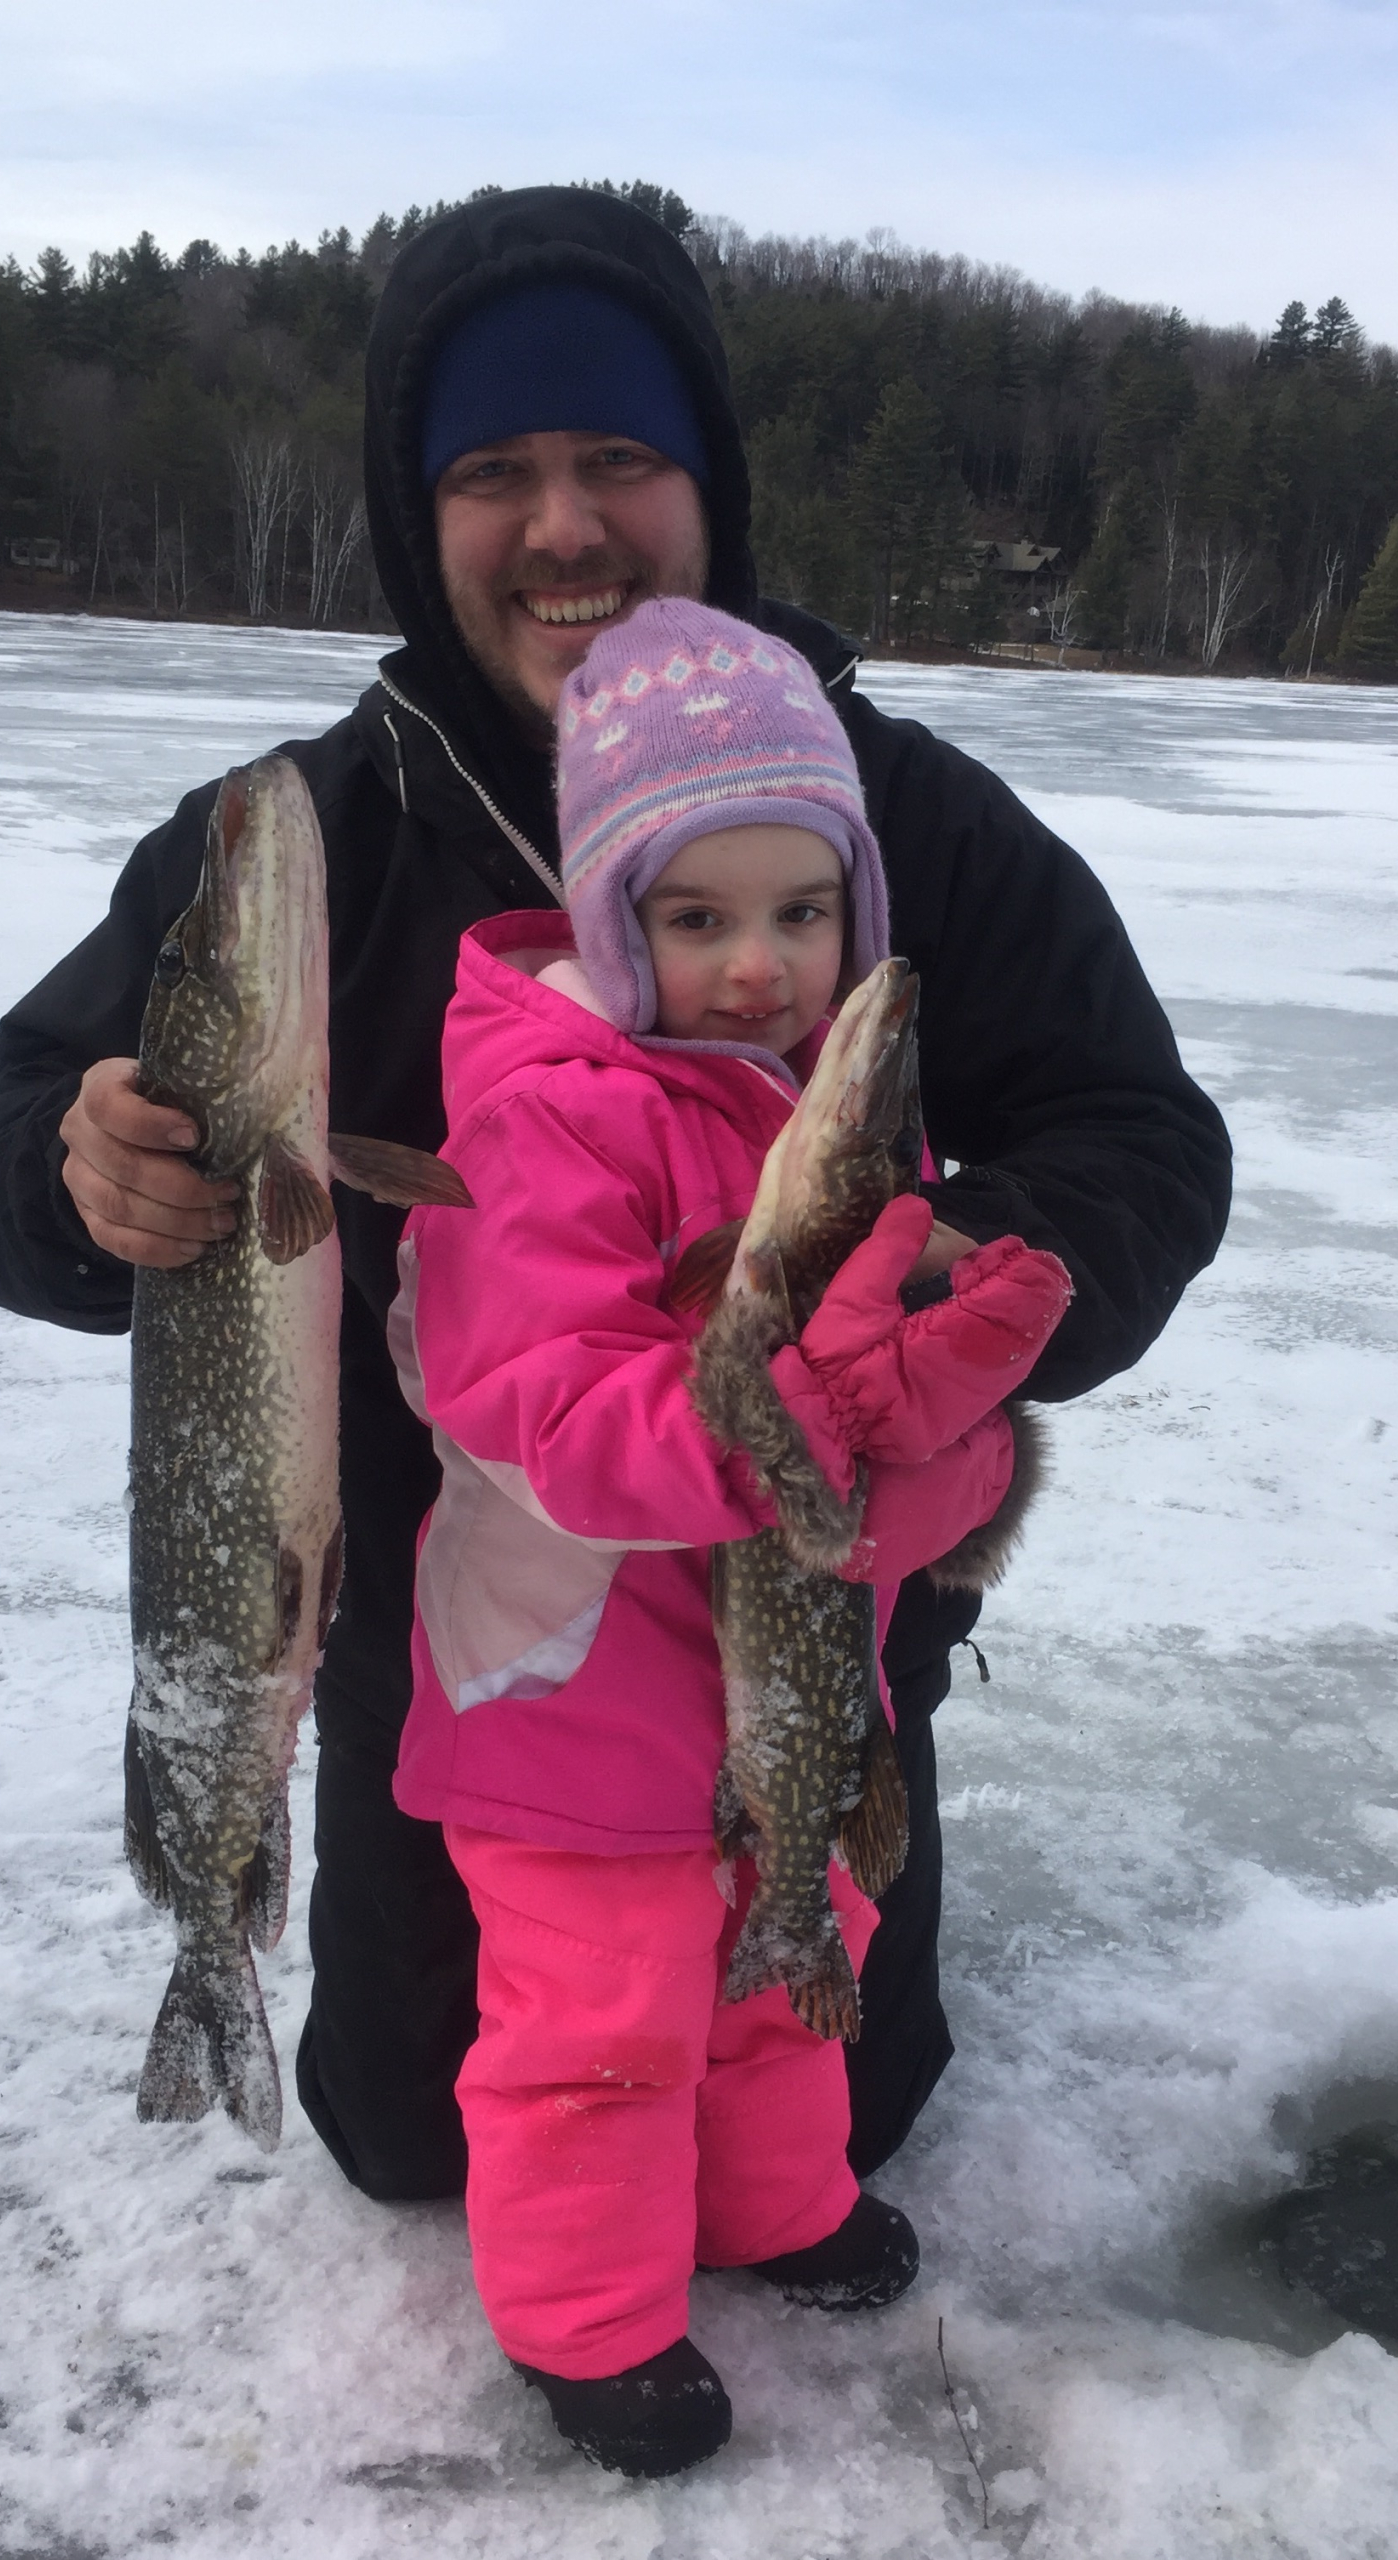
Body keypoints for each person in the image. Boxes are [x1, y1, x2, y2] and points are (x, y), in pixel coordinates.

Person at [0, 185, 1231, 2207]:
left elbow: (1138, 1134)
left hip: (813, 1626)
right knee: (416, 2138)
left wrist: (940, 1287)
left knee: (837, 2129)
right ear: (420, 511)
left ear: (709, 482)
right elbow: (13, 1147)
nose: (564, 527)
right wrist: (70, 1172)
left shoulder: (887, 809)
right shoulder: (310, 833)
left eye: (618, 456)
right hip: (467, 1681)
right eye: (495, 473)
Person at [400, 594, 1071, 2474]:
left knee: (793, 1969)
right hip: (575, 1706)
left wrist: (941, 1456)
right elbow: (549, 1416)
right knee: (599, 2029)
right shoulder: (545, 1124)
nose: (760, 964)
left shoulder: (833, 1138)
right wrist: (794, 1430)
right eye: (697, 919)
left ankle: (774, 2209)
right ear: (619, 923)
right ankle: (591, 2323)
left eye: (803, 910)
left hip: (792, 1700)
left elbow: (895, 1476)